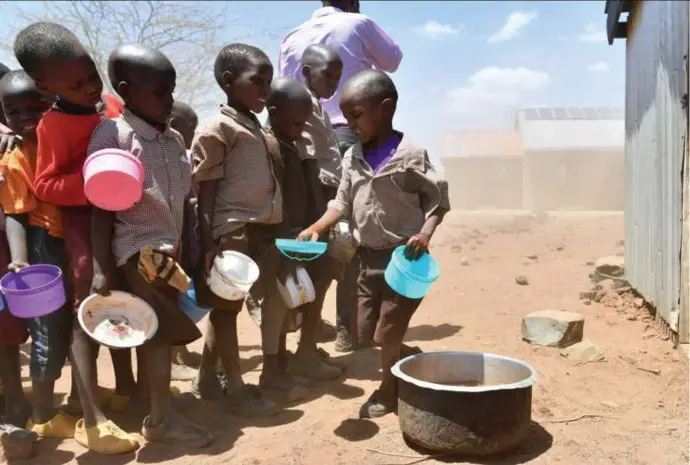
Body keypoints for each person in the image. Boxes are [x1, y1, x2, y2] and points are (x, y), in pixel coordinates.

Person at [13, 21, 137, 454]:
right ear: (47, 86)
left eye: (91, 75)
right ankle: (92, 416)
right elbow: (45, 185)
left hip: (124, 220)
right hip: (83, 229)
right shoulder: (53, 126)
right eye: (77, 83)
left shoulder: (110, 106)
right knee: (91, 307)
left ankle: (126, 391)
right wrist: (96, 180)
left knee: (125, 300)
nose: (89, 86)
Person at [298, 70, 450, 418]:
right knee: (363, 333)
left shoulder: (412, 155)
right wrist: (316, 228)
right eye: (347, 115)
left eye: (356, 114)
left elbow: (437, 201)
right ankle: (401, 354)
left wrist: (424, 234)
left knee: (386, 333)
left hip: (404, 262)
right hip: (366, 262)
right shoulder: (353, 156)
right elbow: (341, 202)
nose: (350, 123)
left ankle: (389, 390)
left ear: (385, 108)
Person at [89, 43, 213, 448]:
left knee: (155, 332)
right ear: (126, 89)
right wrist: (101, 267)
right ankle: (161, 424)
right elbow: (100, 208)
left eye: (171, 90)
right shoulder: (114, 134)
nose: (169, 99)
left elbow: (185, 199)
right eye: (160, 91)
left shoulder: (174, 137)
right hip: (139, 255)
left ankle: (155, 406)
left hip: (169, 256)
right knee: (157, 336)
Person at [278, 0, 403, 352]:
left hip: (296, 142)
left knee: (310, 233)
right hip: (346, 135)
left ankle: (307, 325)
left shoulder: (291, 36)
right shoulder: (358, 23)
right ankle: (349, 332)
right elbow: (392, 61)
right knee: (350, 234)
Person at [190, 43, 281, 416]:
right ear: (229, 82)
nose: (266, 89)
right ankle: (237, 390)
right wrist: (210, 241)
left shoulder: (257, 128)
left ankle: (206, 378)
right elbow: (205, 190)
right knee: (226, 312)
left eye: (268, 81)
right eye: (256, 81)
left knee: (226, 309)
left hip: (259, 230)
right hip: (233, 232)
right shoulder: (217, 128)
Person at [262, 77, 343, 384]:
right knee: (281, 300)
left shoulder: (297, 144)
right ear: (273, 112)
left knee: (314, 287)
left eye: (305, 122)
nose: (301, 128)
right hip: (282, 238)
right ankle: (281, 364)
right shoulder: (268, 147)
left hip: (305, 235)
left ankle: (303, 354)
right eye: (296, 123)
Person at [0, 71, 54, 452]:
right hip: (17, 238)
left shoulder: (11, 147)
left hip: (13, 240)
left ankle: (21, 407)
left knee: (12, 331)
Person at [168, 100, 202, 381]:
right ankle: (171, 357)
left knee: (186, 293)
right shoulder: (168, 154)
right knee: (175, 297)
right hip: (172, 240)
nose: (195, 131)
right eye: (192, 125)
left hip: (188, 238)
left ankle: (180, 350)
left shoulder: (183, 155)